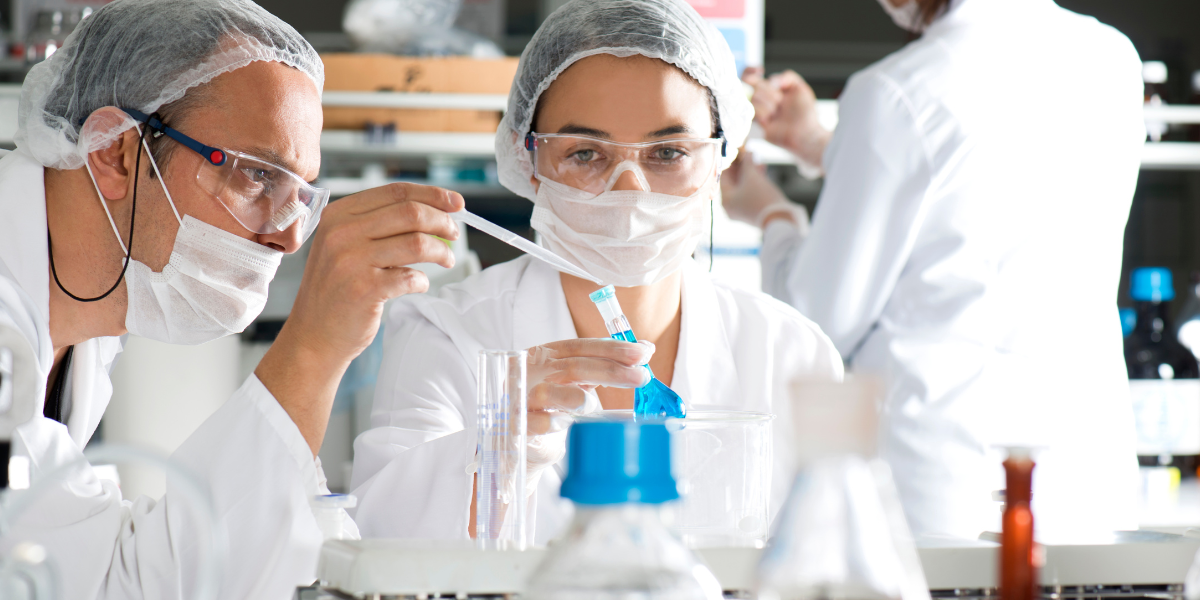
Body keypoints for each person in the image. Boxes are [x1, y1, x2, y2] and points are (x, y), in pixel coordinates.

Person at [0, 0, 464, 597]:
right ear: (115, 150)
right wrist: (313, 349)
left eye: (300, 193)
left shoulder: (80, 312)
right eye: (256, 175)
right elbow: (123, 585)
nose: (291, 236)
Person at [349, 0, 843, 543]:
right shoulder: (447, 335)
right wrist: (497, 447)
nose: (630, 189)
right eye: (586, 154)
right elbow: (382, 544)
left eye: (669, 152)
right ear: (528, 158)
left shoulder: (792, 353)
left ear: (721, 158)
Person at [721, 0, 1145, 538]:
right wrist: (823, 146)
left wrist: (770, 212)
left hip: (950, 481)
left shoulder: (895, 91)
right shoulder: (1110, 55)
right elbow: (986, 189)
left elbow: (818, 319)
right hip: (1089, 470)